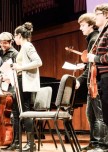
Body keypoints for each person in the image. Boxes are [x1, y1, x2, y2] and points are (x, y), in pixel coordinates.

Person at [12, 22, 42, 151]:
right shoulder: (23, 47)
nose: (14, 39)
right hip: (20, 81)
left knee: (25, 111)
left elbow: (38, 62)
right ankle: (18, 141)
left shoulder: (27, 46)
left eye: (14, 36)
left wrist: (20, 67)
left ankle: (31, 143)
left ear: (19, 35)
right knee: (18, 111)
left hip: (24, 82)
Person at [75, 13, 103, 151]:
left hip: (95, 83)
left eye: (83, 25)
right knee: (90, 114)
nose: (80, 28)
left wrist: (80, 79)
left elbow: (94, 64)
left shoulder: (94, 39)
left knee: (98, 116)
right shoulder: (91, 38)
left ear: (91, 25)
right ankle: (94, 142)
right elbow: (89, 65)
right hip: (92, 82)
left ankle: (99, 144)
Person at [86, 3, 108, 150]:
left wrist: (95, 58)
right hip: (102, 77)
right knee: (105, 113)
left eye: (97, 14)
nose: (95, 18)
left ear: (106, 14)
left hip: (107, 76)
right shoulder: (103, 31)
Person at [0, 32, 20, 150]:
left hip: (12, 86)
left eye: (5, 43)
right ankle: (4, 139)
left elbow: (18, 70)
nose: (2, 45)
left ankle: (16, 141)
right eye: (0, 43)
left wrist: (9, 77)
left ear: (11, 42)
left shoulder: (15, 54)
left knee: (14, 114)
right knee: (2, 114)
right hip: (1, 86)